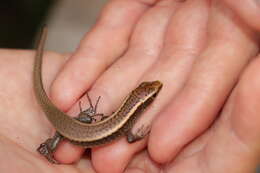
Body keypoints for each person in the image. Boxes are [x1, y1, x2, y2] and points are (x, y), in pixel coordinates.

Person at [0, 0, 260, 172]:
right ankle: (49, 146)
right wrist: (141, 134)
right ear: (144, 101)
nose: (154, 90)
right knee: (59, 137)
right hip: (74, 131)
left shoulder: (127, 107)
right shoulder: (128, 118)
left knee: (73, 124)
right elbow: (129, 136)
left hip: (80, 127)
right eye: (151, 93)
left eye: (152, 92)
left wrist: (87, 117)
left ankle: (63, 135)